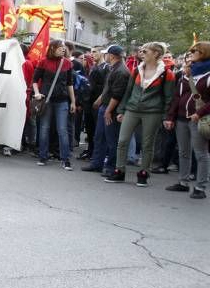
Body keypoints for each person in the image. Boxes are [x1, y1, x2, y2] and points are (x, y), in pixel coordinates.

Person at [105, 42, 175, 186]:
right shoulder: (136, 70)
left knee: (147, 144)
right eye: (141, 51)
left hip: (153, 112)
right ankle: (119, 171)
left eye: (145, 51)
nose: (141, 53)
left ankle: (143, 173)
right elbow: (128, 91)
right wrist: (121, 110)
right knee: (122, 140)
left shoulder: (167, 74)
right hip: (132, 109)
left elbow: (169, 97)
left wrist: (166, 117)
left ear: (156, 53)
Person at [165, 43, 210, 199]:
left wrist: (200, 112)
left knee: (201, 153)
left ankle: (200, 187)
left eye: (195, 51)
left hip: (199, 118)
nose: (192, 54)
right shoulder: (188, 72)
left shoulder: (208, 74)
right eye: (191, 51)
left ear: (204, 53)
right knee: (183, 152)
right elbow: (178, 96)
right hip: (181, 117)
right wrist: (171, 116)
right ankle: (183, 182)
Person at [81, 45, 129, 177]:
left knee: (111, 140)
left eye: (106, 54)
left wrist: (108, 110)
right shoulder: (113, 68)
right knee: (99, 137)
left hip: (111, 109)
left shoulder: (121, 71)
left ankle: (110, 167)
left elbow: (117, 94)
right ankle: (97, 163)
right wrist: (100, 100)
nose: (105, 56)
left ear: (112, 55)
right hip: (105, 106)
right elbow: (108, 89)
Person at [32, 39, 76, 170]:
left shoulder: (67, 63)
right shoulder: (43, 62)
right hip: (46, 100)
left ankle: (65, 159)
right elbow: (35, 80)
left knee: (62, 129)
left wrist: (73, 101)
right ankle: (43, 156)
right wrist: (37, 93)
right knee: (44, 128)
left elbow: (70, 84)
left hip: (62, 100)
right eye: (60, 47)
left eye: (63, 47)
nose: (63, 49)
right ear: (52, 48)